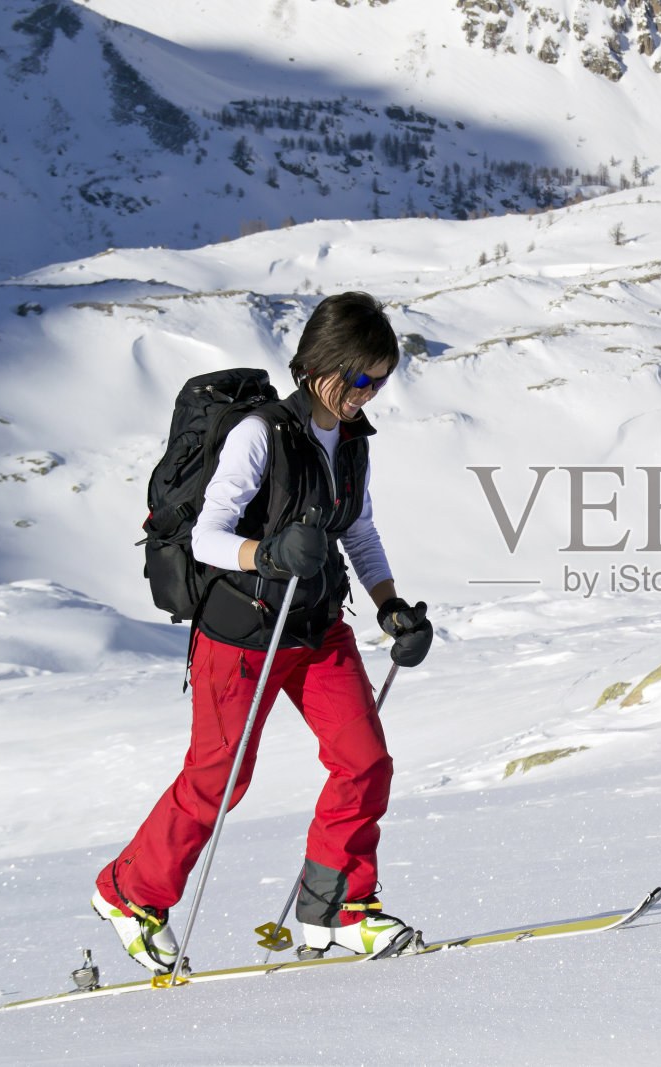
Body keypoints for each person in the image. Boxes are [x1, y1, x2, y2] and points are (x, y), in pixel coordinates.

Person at [90, 292, 433, 973]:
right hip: (242, 632)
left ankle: (334, 910)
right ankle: (129, 893)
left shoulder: (353, 440)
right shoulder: (260, 434)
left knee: (364, 760)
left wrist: (391, 605)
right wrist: (267, 554)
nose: (368, 393)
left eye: (380, 379)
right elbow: (208, 535)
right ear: (320, 365)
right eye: (359, 377)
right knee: (219, 777)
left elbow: (357, 529)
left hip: (315, 626)